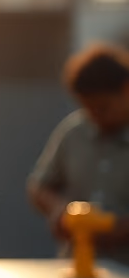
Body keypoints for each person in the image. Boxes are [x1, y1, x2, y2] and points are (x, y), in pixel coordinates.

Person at [28, 43, 129, 264]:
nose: (95, 117)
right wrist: (60, 211)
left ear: (126, 90)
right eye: (88, 108)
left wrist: (120, 230)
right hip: (76, 268)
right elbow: (39, 185)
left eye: (103, 107)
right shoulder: (74, 132)